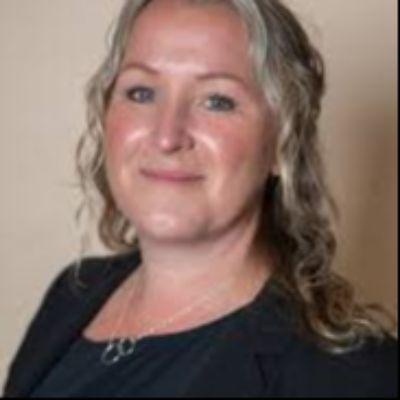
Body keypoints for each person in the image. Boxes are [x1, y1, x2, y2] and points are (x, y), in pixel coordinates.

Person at [3, 0, 397, 397]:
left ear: (282, 142)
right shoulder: (74, 292)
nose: (167, 136)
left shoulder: (352, 376)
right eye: (141, 92)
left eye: (217, 101)